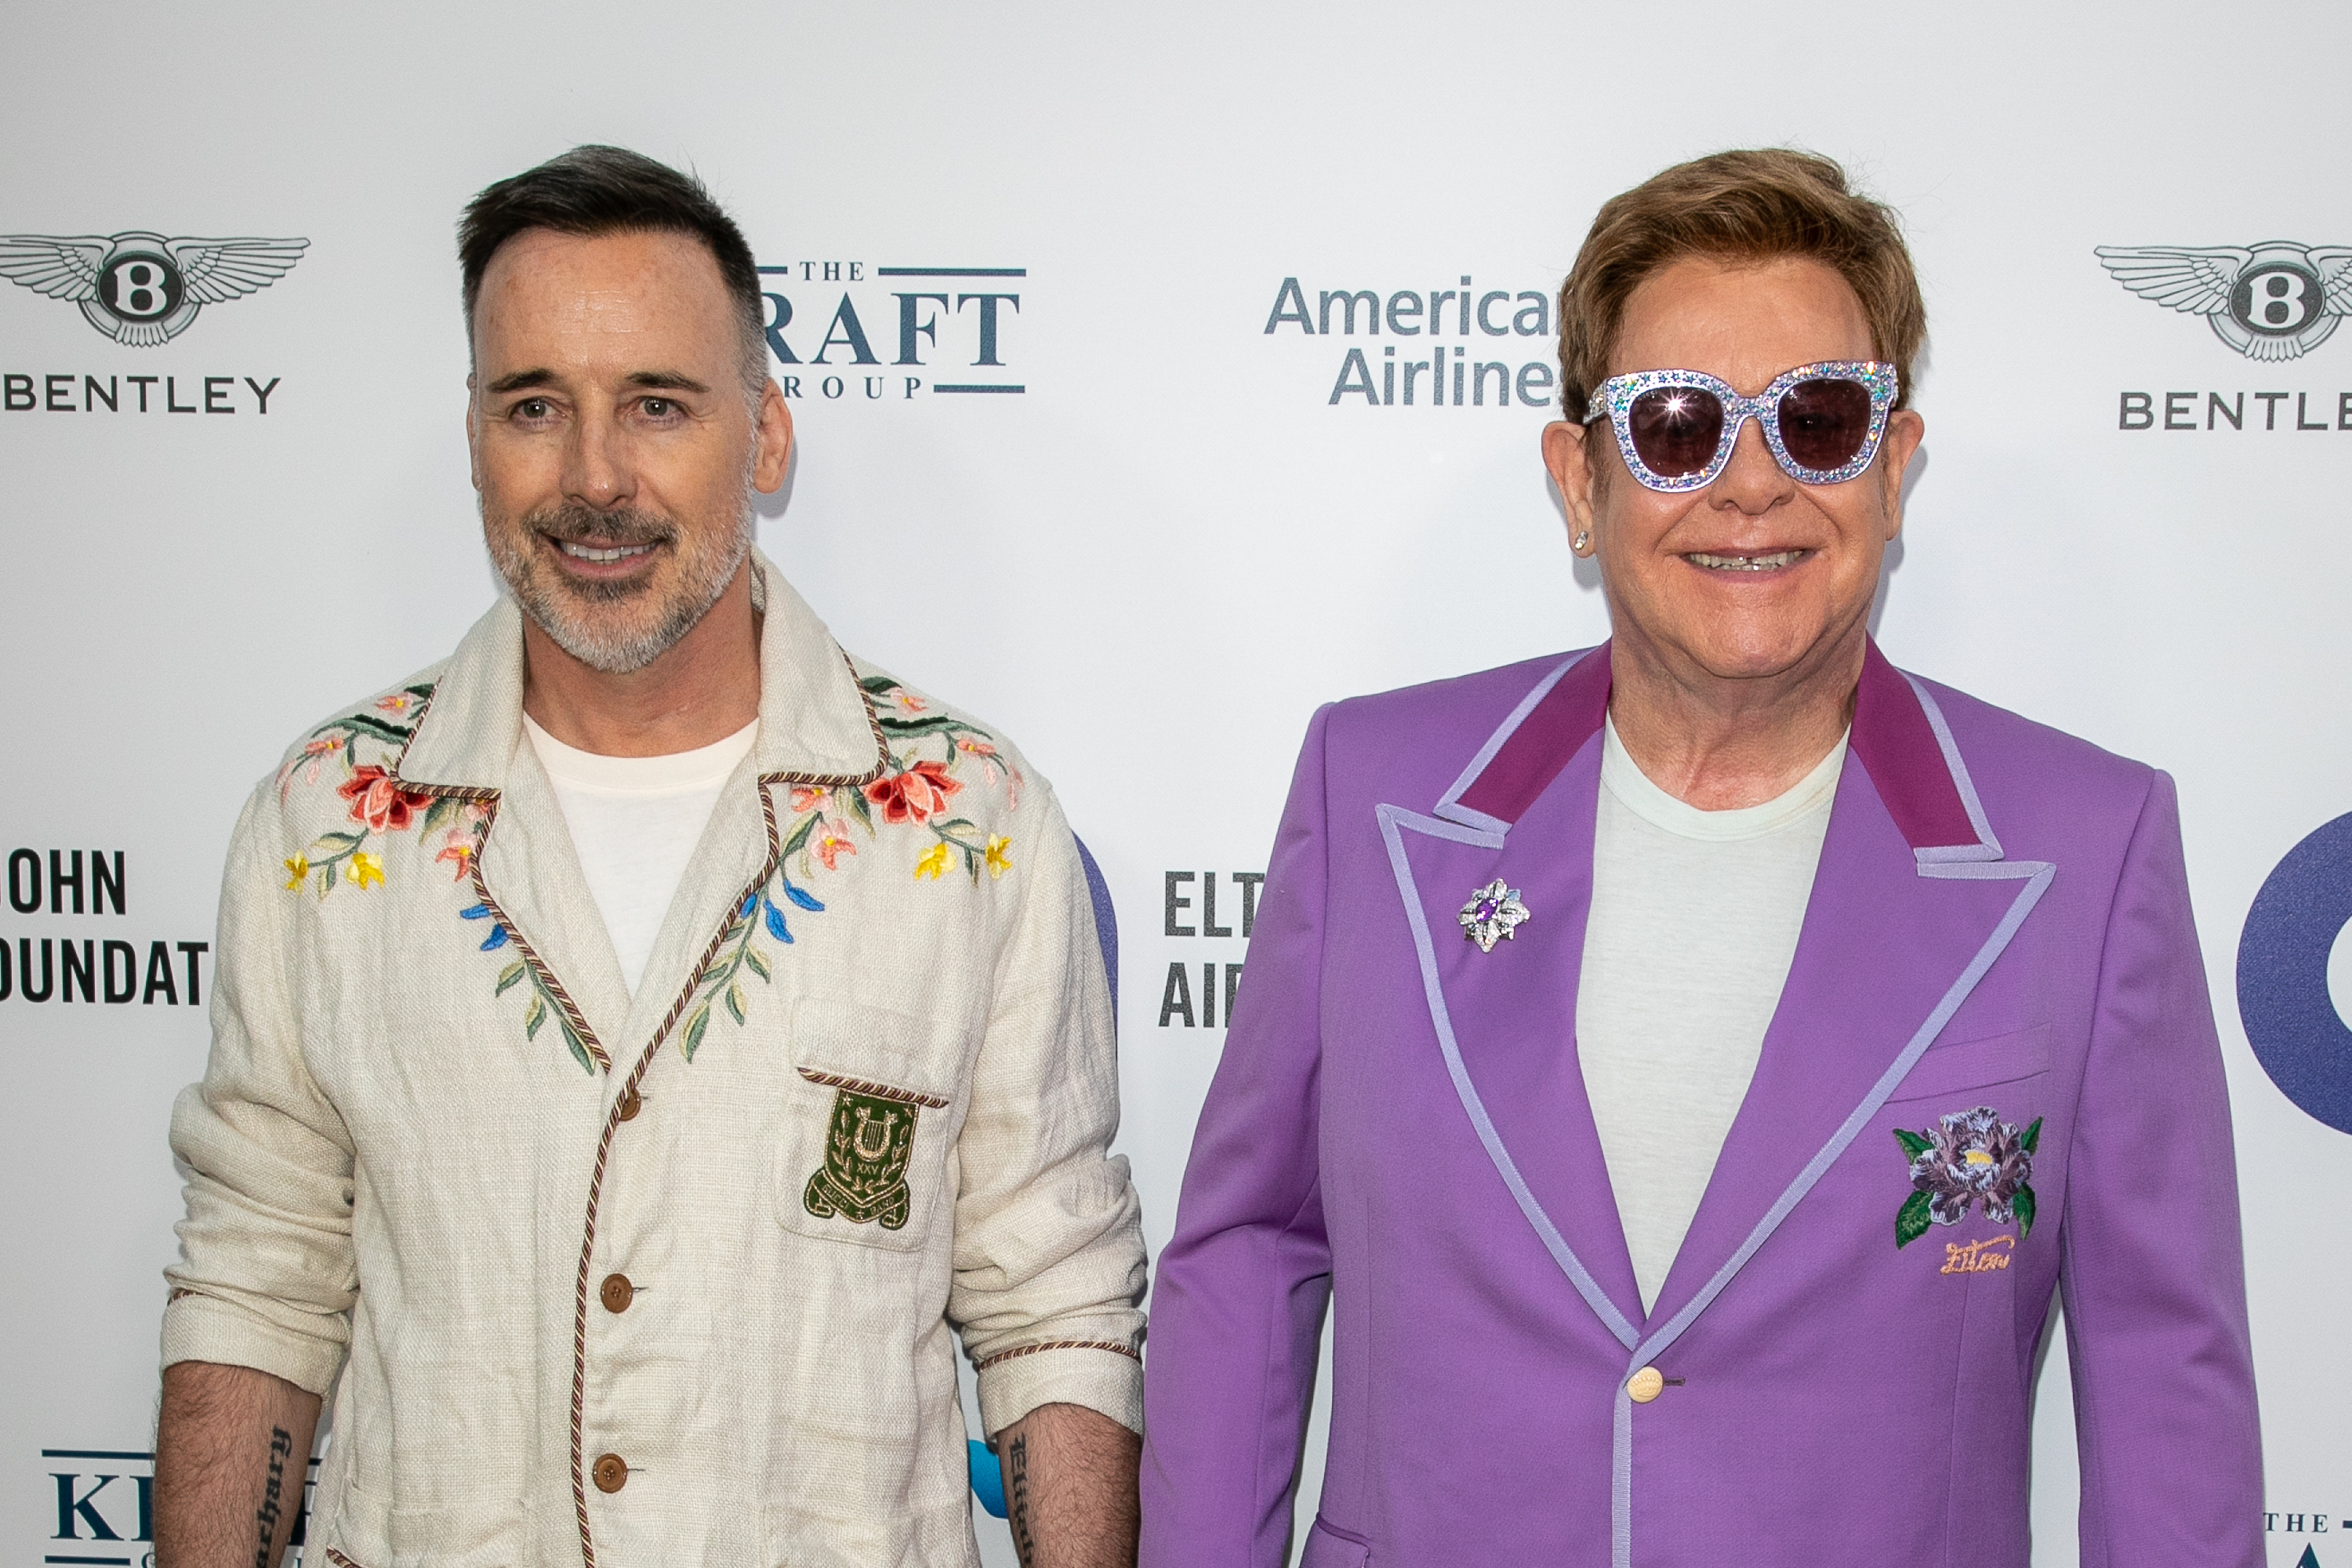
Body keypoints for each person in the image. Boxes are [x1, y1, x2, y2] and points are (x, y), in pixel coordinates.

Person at [1138, 150, 2259, 1567]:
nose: (1753, 486)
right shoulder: (1373, 792)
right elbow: (1248, 1254)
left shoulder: (2086, 849)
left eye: (1819, 419)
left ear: (1894, 467)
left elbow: (2165, 1377)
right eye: (1678, 428)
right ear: (1581, 481)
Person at [154, 144, 1145, 1568]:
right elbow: (258, 1283)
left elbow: (1054, 1309)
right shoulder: (327, 824)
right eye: (534, 406)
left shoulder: (972, 824)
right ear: (475, 439)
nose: (594, 477)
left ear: (767, 437)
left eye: (657, 405)